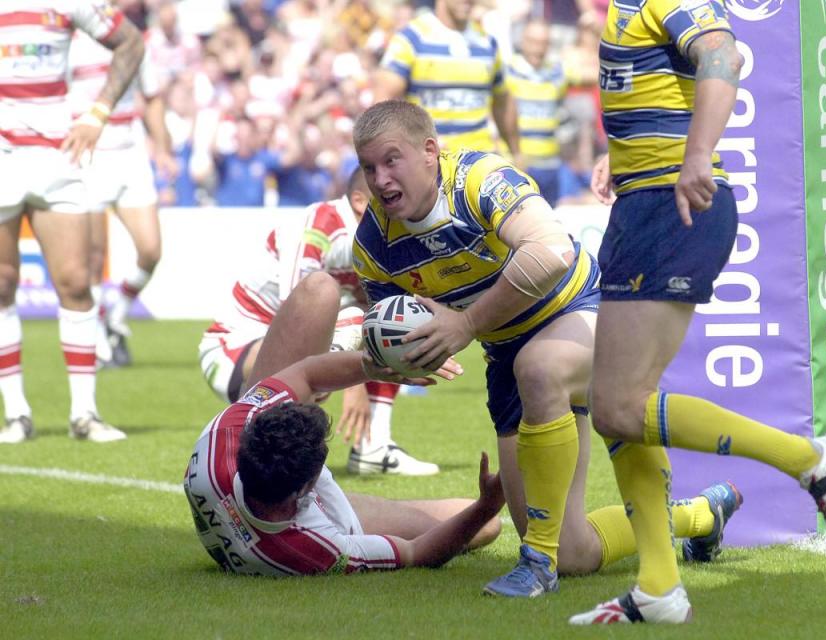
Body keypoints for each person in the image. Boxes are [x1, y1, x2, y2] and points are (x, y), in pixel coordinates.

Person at [351, 100, 744, 598]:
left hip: (582, 309)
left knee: (539, 366)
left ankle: (537, 565)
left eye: (391, 160)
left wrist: (466, 323)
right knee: (573, 552)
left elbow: (552, 252)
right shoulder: (374, 244)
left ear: (430, 151)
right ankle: (698, 516)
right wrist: (397, 358)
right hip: (505, 356)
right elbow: (381, 332)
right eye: (368, 168)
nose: (380, 179)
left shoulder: (479, 179)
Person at [568, 2, 826, 625]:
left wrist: (697, 154)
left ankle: (812, 460)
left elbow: (723, 55)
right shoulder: (625, 10)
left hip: (672, 210)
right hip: (641, 203)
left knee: (620, 405)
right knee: (619, 410)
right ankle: (658, 587)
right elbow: (660, 92)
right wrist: (622, 159)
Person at [185, 271, 503, 576]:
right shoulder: (320, 547)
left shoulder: (225, 433)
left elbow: (307, 373)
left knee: (318, 289)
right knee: (487, 526)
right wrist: (486, 507)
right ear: (309, 489)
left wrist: (372, 368)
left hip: (268, 504)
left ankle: (337, 347)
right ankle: (338, 344)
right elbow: (415, 552)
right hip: (327, 518)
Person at [198, 169, 440, 475]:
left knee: (391, 317)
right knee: (359, 318)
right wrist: (355, 383)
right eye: (389, 199)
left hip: (301, 351)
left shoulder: (385, 242)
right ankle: (245, 461)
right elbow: (298, 314)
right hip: (233, 349)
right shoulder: (320, 225)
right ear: (359, 202)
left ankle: (374, 446)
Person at [0, 1, 144, 444]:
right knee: (2, 284)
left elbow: (131, 43)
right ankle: (17, 414)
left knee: (76, 281)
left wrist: (97, 114)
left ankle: (84, 414)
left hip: (57, 156)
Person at [68, 26, 176, 368]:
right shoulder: (71, 43)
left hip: (130, 155)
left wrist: (163, 148)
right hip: (87, 153)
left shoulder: (133, 40)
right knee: (94, 255)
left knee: (150, 250)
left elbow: (153, 96)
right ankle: (98, 340)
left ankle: (117, 314)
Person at [373, 0, 521, 158]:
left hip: (480, 162)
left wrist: (516, 153)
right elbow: (382, 106)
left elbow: (503, 103)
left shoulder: (488, 43)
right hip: (432, 164)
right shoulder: (411, 38)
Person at [505, 19, 568, 207]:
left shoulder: (557, 72)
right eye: (533, 42)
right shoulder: (507, 70)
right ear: (523, 41)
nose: (538, 49)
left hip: (550, 164)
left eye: (543, 43)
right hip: (517, 163)